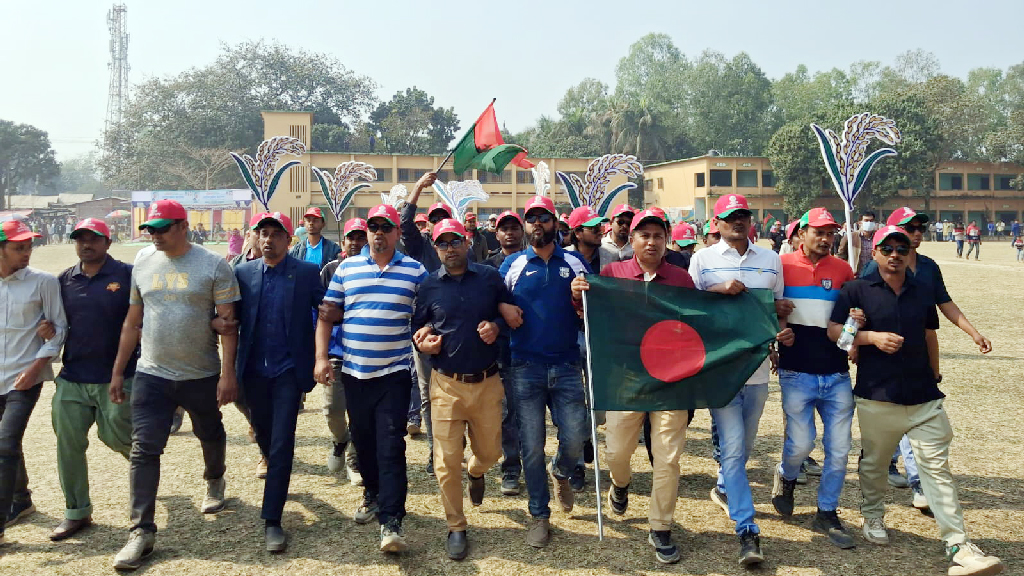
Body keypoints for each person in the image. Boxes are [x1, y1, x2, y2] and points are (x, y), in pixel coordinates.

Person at [828, 225, 1005, 576]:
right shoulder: (855, 290)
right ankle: (873, 514)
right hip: (878, 397)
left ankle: (958, 544)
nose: (894, 254)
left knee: (936, 470)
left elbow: (928, 334)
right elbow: (837, 336)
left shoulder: (922, 290)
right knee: (875, 465)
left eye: (901, 248)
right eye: (887, 248)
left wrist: (938, 369)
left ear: (909, 252)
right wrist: (868, 336)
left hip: (924, 397)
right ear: (874, 252)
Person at [110, 200, 240, 570]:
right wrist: (120, 370)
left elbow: (228, 326)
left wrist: (227, 374)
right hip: (152, 373)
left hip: (200, 373)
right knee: (144, 448)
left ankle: (215, 479)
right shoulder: (143, 261)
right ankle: (141, 532)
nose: (155, 235)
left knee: (209, 430)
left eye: (163, 228)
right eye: (150, 229)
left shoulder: (213, 264)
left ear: (184, 226)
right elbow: (133, 322)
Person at [571, 208, 695, 565]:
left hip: (671, 383)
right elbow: (589, 314)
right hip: (627, 380)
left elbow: (698, 324)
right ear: (633, 240)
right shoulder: (612, 273)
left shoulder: (682, 279)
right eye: (644, 235)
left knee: (668, 459)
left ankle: (660, 527)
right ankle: (620, 483)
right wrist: (579, 294)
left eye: (658, 235)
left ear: (666, 239)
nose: (651, 241)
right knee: (616, 454)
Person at [315, 204, 427, 554]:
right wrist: (320, 358)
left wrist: (427, 335)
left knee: (391, 445)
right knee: (363, 444)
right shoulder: (346, 269)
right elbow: (327, 316)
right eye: (373, 227)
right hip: (354, 373)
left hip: (393, 374)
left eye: (386, 227)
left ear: (396, 232)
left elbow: (429, 312)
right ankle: (372, 494)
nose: (379, 232)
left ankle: (391, 522)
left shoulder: (415, 271)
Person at [687, 193, 792, 567]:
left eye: (743, 216)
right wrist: (718, 291)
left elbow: (778, 308)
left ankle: (723, 484)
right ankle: (747, 530)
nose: (738, 222)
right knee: (733, 449)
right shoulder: (702, 259)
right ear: (716, 223)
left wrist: (781, 332)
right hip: (721, 369)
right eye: (730, 217)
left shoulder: (770, 258)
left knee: (744, 445)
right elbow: (690, 309)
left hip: (759, 368)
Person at [864, 208, 994, 508]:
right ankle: (885, 466)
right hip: (882, 357)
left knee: (916, 417)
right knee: (887, 420)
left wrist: (973, 333)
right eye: (910, 228)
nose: (917, 232)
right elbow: (859, 305)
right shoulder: (877, 267)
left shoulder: (928, 267)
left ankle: (919, 483)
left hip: (917, 357)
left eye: (920, 227)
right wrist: (861, 343)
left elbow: (945, 304)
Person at [412, 218, 513, 560]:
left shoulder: (489, 277)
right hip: (446, 385)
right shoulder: (428, 285)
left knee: (490, 454)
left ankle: (477, 471)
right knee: (445, 461)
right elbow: (419, 325)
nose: (450, 248)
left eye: (455, 241)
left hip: (486, 382)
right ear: (436, 248)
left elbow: (510, 313)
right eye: (443, 243)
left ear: (467, 243)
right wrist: (424, 340)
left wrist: (496, 327)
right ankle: (456, 526)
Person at [498, 195, 590, 549]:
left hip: (567, 364)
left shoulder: (576, 262)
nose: (538, 223)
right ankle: (539, 514)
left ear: (555, 223)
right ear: (524, 225)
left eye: (544, 218)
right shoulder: (513, 265)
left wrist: (583, 297)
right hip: (525, 367)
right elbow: (495, 302)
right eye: (531, 218)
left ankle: (562, 472)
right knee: (531, 446)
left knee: (577, 437)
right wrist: (504, 308)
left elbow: (594, 308)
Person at [235, 211, 325, 553]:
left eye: (276, 234)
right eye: (264, 233)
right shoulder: (242, 274)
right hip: (253, 373)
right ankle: (273, 466)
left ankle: (272, 519)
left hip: (289, 371)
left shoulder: (305, 273)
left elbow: (327, 309)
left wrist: (323, 354)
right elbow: (226, 316)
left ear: (290, 240)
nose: (269, 239)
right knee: (263, 433)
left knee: (282, 440)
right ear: (256, 238)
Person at [771, 208, 857, 549]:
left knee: (839, 449)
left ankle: (827, 511)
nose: (825, 239)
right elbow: (768, 305)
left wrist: (854, 330)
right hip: (796, 372)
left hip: (836, 373)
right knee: (802, 444)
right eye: (818, 232)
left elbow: (852, 317)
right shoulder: (782, 266)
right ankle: (786, 474)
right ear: (801, 233)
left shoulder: (843, 269)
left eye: (830, 233)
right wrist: (777, 329)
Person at [50, 219, 134, 541]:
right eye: (80, 239)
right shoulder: (64, 281)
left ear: (108, 243)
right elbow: (55, 322)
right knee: (68, 444)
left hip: (118, 376)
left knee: (117, 437)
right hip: (72, 377)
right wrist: (47, 329)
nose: (86, 244)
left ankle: (144, 468)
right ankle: (77, 511)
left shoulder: (126, 275)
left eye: (94, 239)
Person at [0, 220, 66, 543]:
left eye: (29, 246)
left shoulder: (44, 282)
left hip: (25, 377)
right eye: (18, 247)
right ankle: (21, 500)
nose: (26, 253)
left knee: (3, 445)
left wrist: (37, 364)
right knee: (7, 442)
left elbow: (60, 330)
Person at [318, 218, 368, 486]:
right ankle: (340, 440)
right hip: (337, 352)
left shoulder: (375, 270)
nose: (356, 243)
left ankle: (354, 459)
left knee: (360, 413)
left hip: (364, 352)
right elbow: (322, 312)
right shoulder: (331, 270)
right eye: (352, 237)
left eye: (361, 237)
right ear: (344, 240)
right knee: (332, 409)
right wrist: (320, 355)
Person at [484, 210, 526, 495]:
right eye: (504, 228)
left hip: (531, 348)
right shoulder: (486, 269)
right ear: (496, 234)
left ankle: (565, 467)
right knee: (504, 414)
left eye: (514, 228)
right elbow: (484, 307)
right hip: (500, 351)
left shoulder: (530, 260)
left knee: (525, 414)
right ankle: (506, 467)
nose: (509, 233)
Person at [567, 206, 609, 273]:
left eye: (599, 227)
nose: (599, 232)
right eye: (594, 229)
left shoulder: (612, 257)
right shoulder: (563, 257)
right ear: (577, 233)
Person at [600, 204, 635, 269]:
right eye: (620, 222)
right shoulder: (601, 245)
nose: (624, 226)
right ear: (611, 223)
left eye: (628, 223)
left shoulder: (635, 247)